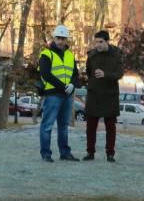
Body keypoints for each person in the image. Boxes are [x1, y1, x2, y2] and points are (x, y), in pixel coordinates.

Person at [39, 24, 80, 162]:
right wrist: (63, 86)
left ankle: (65, 153)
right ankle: (46, 154)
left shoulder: (70, 55)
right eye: (58, 38)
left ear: (66, 39)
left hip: (67, 95)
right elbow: (46, 74)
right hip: (53, 94)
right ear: (54, 38)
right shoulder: (46, 54)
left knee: (63, 126)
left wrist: (73, 85)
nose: (61, 41)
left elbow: (75, 73)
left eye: (63, 38)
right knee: (47, 126)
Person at [83, 30, 122, 162]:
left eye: (101, 42)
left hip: (110, 95)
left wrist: (106, 74)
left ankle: (110, 154)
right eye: (96, 42)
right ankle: (90, 152)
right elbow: (88, 72)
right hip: (94, 95)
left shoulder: (116, 55)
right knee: (90, 126)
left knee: (110, 127)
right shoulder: (92, 55)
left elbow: (119, 74)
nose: (98, 45)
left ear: (107, 41)